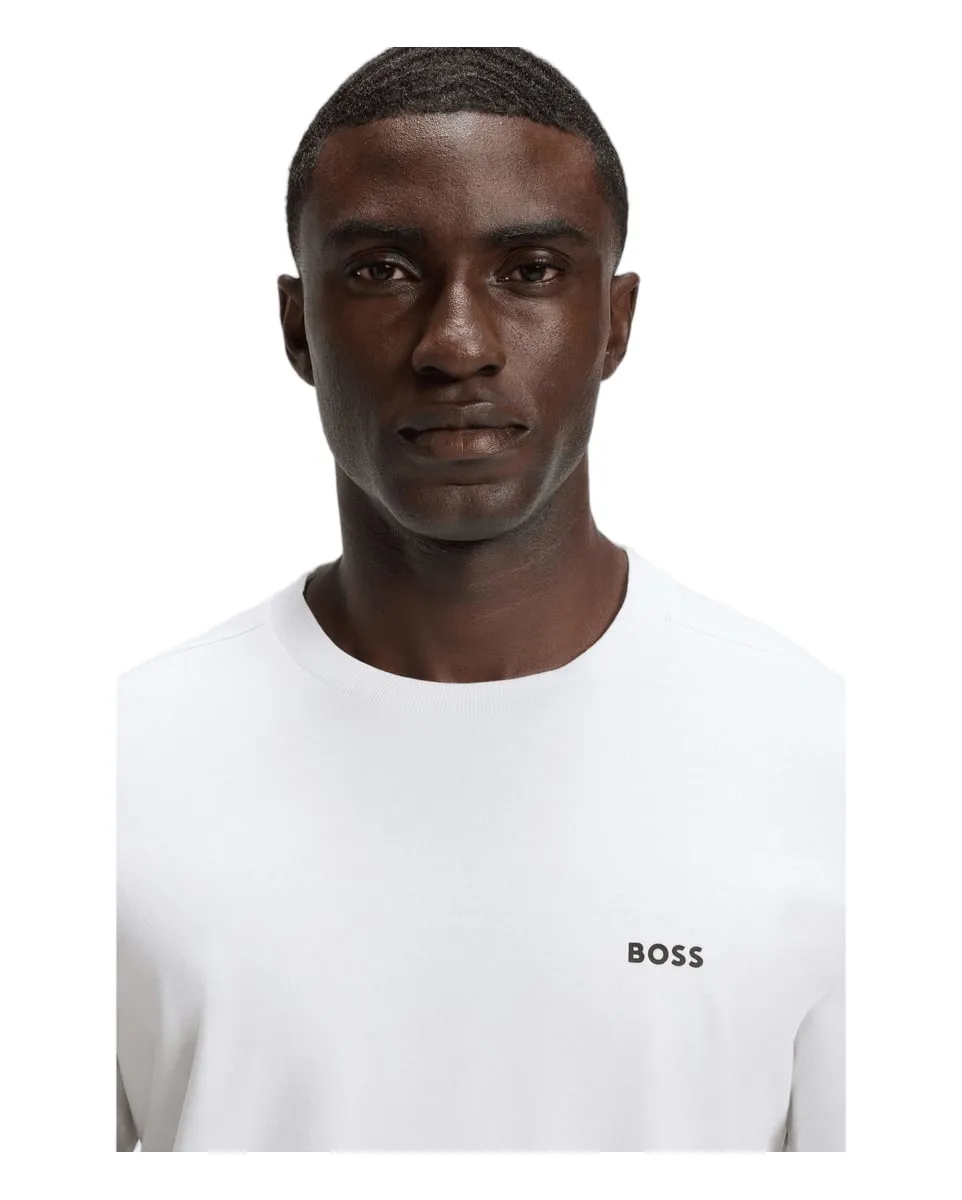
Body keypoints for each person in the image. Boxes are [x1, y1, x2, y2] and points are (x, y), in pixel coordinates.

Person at [116, 46, 845, 1152]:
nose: (456, 343)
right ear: (298, 326)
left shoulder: (827, 763)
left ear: (614, 322)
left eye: (531, 270)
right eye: (381, 270)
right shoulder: (113, 770)